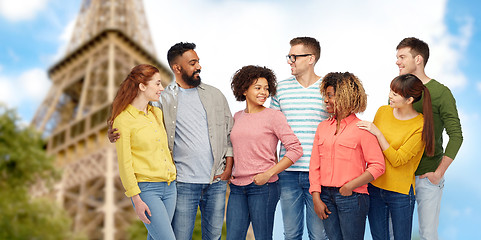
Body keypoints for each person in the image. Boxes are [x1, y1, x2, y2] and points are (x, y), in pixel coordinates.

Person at [109, 42, 234, 240]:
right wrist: (114, 130)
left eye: (198, 62)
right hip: (173, 183)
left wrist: (228, 165)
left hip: (194, 183)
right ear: (177, 68)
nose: (199, 66)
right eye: (193, 63)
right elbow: (126, 154)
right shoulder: (159, 102)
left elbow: (229, 131)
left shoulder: (158, 112)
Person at [395, 37, 463, 240]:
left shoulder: (441, 93)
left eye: (402, 57)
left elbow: (456, 136)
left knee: (428, 235)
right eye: (396, 57)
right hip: (399, 177)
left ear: (418, 59)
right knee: (394, 234)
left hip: (427, 176)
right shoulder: (397, 90)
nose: (397, 62)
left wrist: (438, 172)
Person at [227, 65, 303, 240]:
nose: (264, 93)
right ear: (244, 89)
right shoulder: (237, 116)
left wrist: (268, 174)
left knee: (262, 237)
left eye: (267, 88)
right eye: (258, 88)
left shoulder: (274, 116)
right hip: (238, 187)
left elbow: (295, 149)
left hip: (264, 186)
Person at [356, 74, 434, 240]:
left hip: (400, 193)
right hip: (374, 186)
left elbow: (398, 160)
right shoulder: (383, 111)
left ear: (409, 100)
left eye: (395, 94)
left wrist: (377, 133)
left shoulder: (420, 125)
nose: (390, 96)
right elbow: (372, 148)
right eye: (391, 91)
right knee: (379, 237)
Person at [309, 72, 385, 240]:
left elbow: (378, 166)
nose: (326, 100)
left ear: (345, 97)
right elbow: (314, 164)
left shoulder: (362, 129)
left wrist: (350, 186)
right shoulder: (322, 127)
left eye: (330, 96)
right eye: (325, 96)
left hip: (353, 197)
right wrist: (316, 197)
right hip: (325, 197)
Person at [108, 64, 177, 240]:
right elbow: (125, 164)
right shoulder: (123, 120)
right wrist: (136, 200)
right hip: (147, 190)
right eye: (158, 83)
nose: (162, 88)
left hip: (170, 187)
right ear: (142, 86)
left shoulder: (157, 113)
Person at [270, 37, 329, 240]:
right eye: (289, 56)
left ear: (311, 58)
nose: (290, 61)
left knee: (319, 235)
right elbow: (272, 130)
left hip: (319, 173)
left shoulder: (328, 88)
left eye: (294, 56)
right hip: (288, 174)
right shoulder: (280, 89)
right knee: (291, 234)